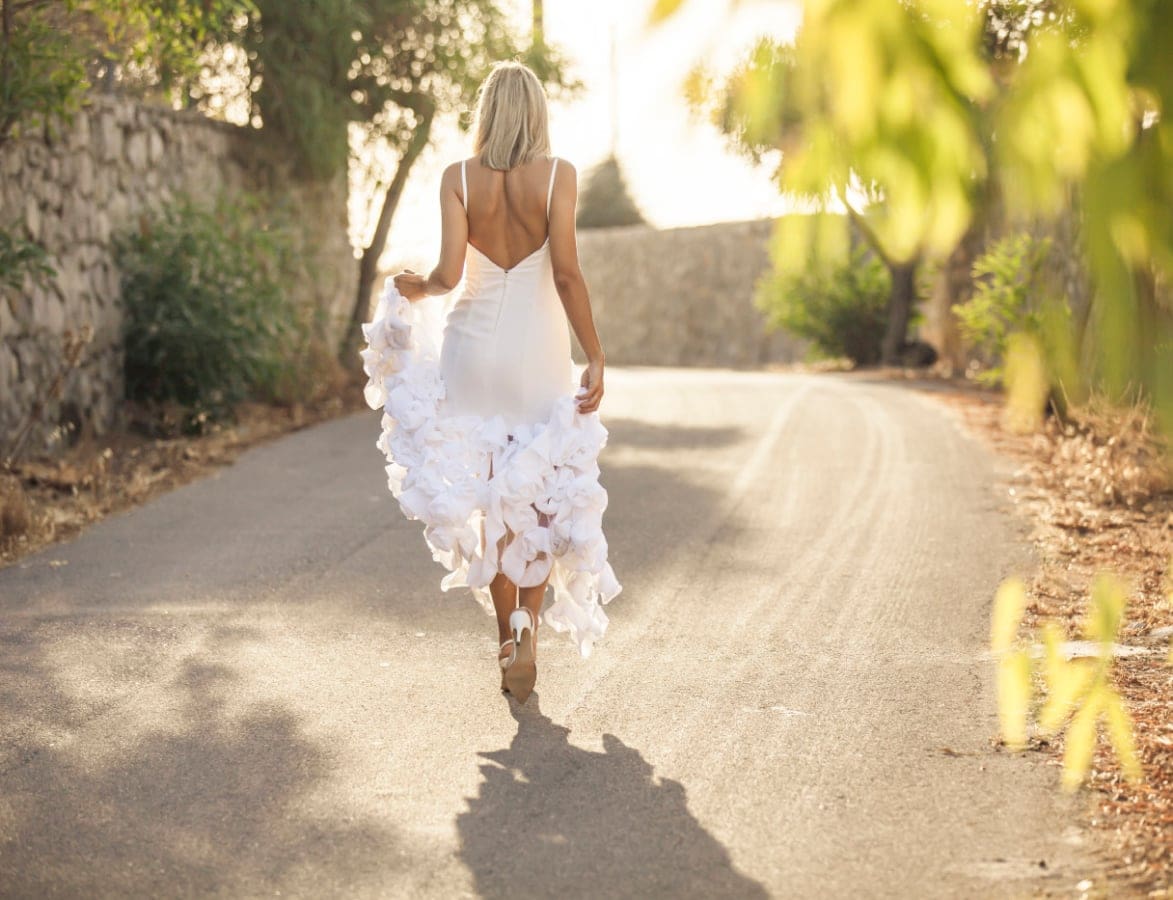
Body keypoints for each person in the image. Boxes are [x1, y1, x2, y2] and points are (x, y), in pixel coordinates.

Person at [359, 60, 621, 704]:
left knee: (489, 500)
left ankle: (508, 638)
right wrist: (595, 353)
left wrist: (415, 287)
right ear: (536, 113)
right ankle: (528, 625)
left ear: (487, 114)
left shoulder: (457, 178)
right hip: (537, 353)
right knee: (535, 495)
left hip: (470, 351)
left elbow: (448, 276)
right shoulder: (558, 175)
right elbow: (565, 275)